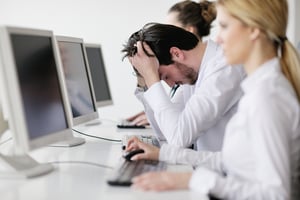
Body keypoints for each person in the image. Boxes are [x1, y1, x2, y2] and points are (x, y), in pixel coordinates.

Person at [125, 0, 300, 199]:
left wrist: (193, 180)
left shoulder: (267, 97)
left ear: (253, 31)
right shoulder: (257, 89)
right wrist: (163, 154)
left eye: (224, 27)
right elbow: (232, 161)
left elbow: (276, 194)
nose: (218, 38)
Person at [123, 22, 244, 151]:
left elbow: (178, 140)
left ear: (176, 53)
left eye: (165, 76)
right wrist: (144, 80)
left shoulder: (224, 68)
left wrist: (152, 78)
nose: (170, 85)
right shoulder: (191, 75)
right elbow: (165, 136)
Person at [126, 0, 216, 127]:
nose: (167, 33)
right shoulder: (188, 77)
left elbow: (177, 136)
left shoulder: (213, 71)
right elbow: (165, 135)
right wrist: (143, 77)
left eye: (171, 27)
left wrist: (151, 76)